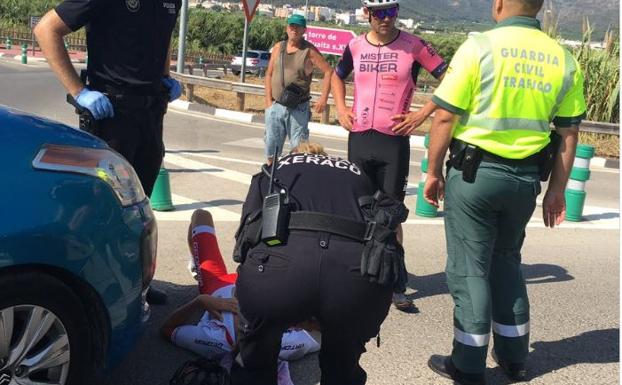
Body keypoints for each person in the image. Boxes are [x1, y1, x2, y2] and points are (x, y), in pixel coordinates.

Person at [423, 0, 586, 383]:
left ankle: (468, 362)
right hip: (525, 180)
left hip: (476, 175)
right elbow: (568, 133)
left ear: (498, 4)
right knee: (507, 261)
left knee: (469, 268)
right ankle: (514, 358)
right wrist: (556, 192)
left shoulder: (480, 47)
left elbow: (445, 114)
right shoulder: (563, 59)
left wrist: (432, 172)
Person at [34, 0, 184, 304]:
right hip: (111, 114)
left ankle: (138, 283)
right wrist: (79, 92)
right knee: (103, 210)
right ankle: (95, 293)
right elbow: (46, 29)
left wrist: (165, 76)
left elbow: (164, 37)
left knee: (140, 207)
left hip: (151, 112)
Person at [230, 142, 408, 384]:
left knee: (255, 360)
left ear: (296, 156)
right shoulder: (357, 173)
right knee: (342, 367)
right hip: (356, 279)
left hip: (278, 273)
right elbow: (390, 232)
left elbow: (246, 239)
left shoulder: (274, 170)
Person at [331, 0, 448, 312]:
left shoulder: (415, 46)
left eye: (392, 12)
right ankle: (357, 276)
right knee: (357, 209)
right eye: (380, 13)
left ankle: (396, 283)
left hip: (393, 142)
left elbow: (451, 80)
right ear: (368, 14)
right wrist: (341, 108)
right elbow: (336, 75)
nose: (386, 19)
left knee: (391, 213)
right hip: (359, 138)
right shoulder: (355, 46)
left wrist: (422, 113)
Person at [161, 209, 320, 385]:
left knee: (201, 216)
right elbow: (328, 331)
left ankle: (197, 265)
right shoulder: (288, 343)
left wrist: (200, 301)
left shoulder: (214, 341)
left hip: (217, 285)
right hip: (261, 280)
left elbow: (167, 329)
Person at [263, 15, 333, 165]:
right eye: (291, 26)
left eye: (298, 27)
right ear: (287, 28)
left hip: (298, 107)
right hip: (276, 105)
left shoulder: (309, 50)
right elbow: (268, 74)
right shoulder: (278, 48)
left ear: (304, 30)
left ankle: (295, 179)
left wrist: (323, 99)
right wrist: (268, 101)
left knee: (300, 149)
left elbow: (328, 72)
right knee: (271, 146)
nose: (294, 29)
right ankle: (271, 175)